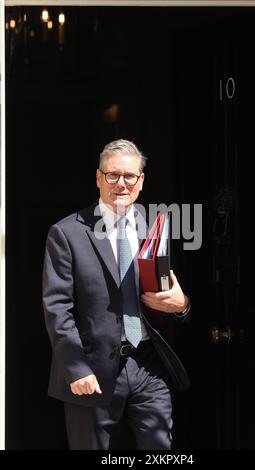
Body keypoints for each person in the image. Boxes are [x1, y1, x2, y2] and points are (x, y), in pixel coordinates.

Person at [42, 139, 190, 450]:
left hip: (148, 365)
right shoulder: (67, 233)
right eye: (112, 176)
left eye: (129, 176)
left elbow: (170, 292)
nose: (121, 184)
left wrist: (182, 305)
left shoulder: (156, 228)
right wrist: (76, 367)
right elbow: (58, 309)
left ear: (141, 181)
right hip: (92, 368)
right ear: (98, 178)